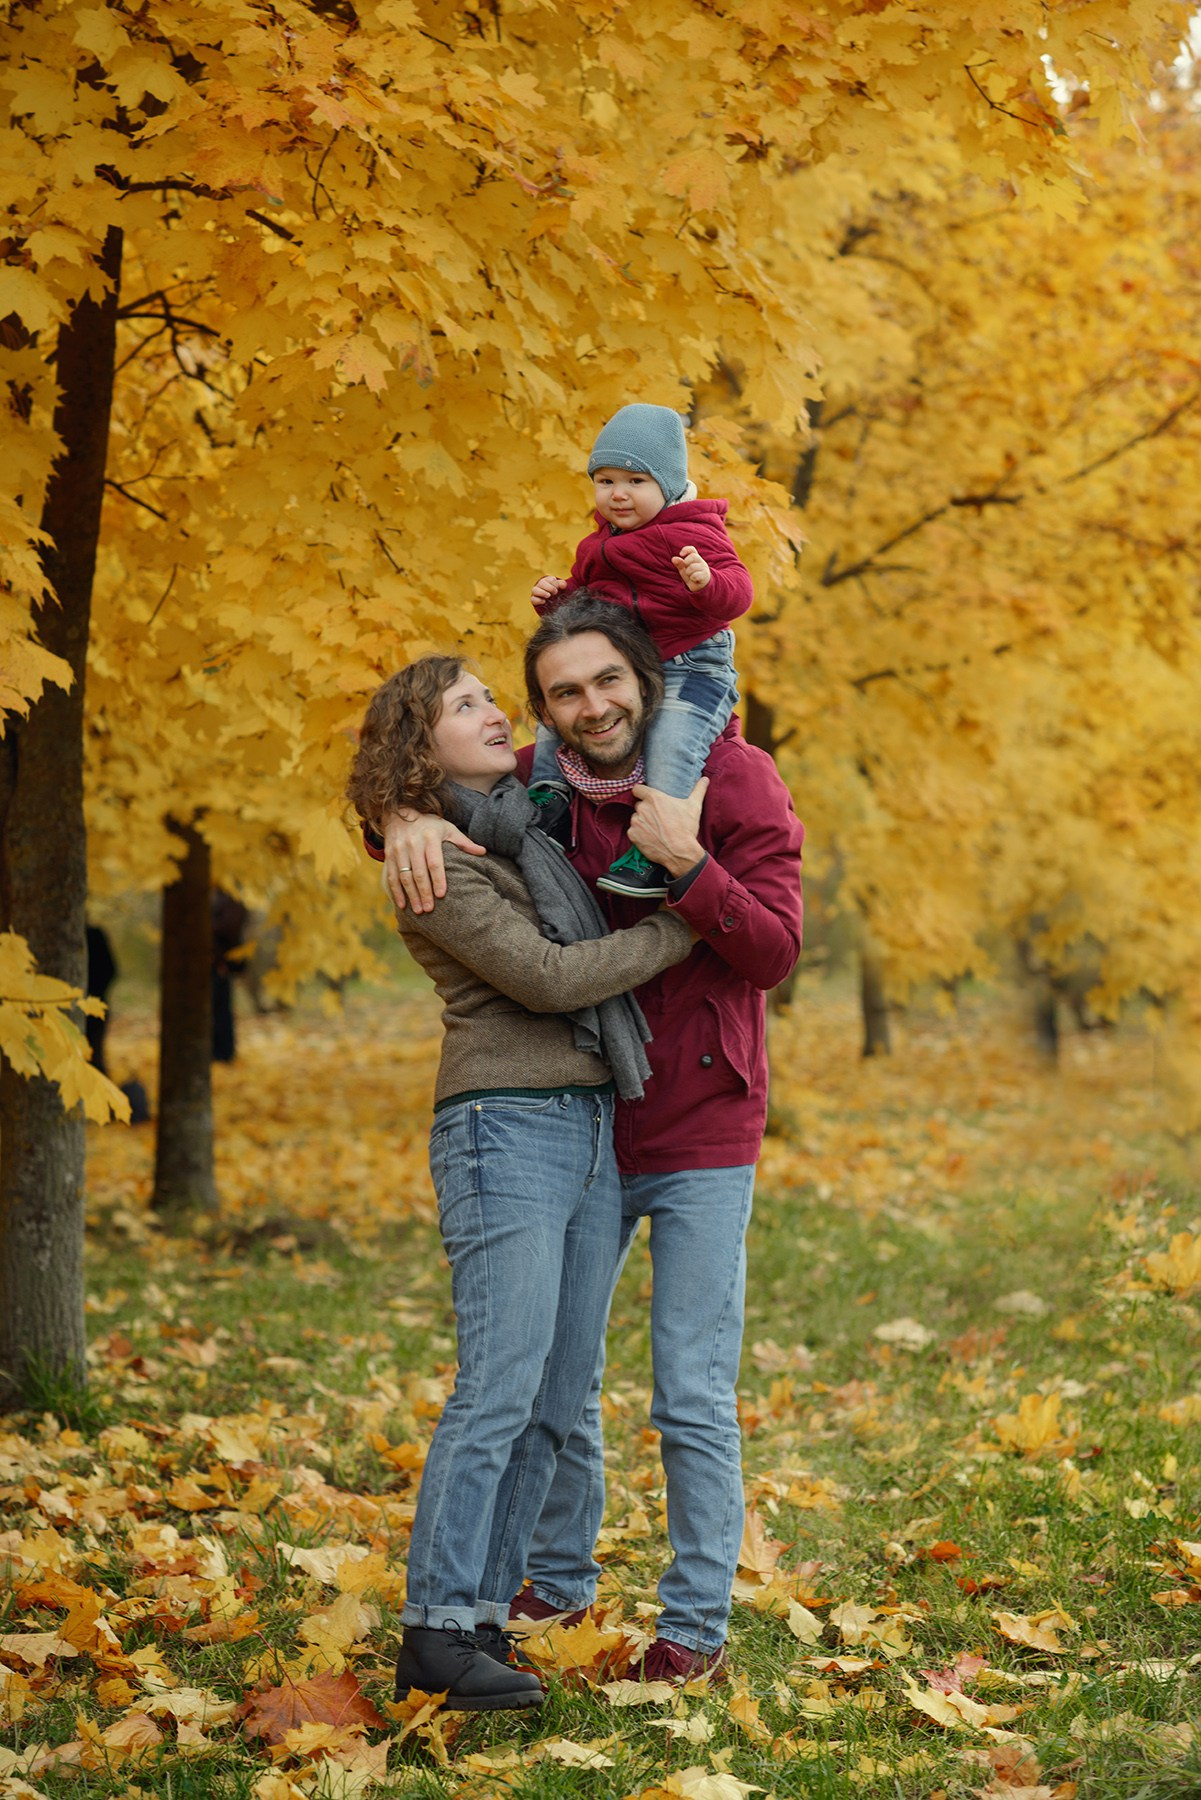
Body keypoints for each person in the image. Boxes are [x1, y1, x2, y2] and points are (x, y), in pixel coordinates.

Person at [376, 596, 804, 1685]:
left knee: (690, 1394)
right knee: (551, 1383)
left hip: (704, 1124)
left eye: (607, 681)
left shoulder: (731, 777)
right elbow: (423, 775)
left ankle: (693, 1629)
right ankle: (551, 1582)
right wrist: (401, 822)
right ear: (546, 713)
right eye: (563, 693)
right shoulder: (543, 789)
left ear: (647, 677)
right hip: (594, 1118)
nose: (591, 706)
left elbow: (773, 949)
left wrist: (688, 866)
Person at [348, 654, 693, 1711]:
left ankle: (482, 1620)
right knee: (498, 1388)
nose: (498, 713)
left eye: (493, 697)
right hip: (504, 1130)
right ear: (419, 745)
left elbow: (616, 740)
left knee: (555, 1397)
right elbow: (546, 979)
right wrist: (684, 925)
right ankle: (437, 1626)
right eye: (465, 706)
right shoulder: (435, 858)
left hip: (586, 1123)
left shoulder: (518, 823)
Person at [528, 403, 753, 899]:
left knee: (672, 746)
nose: (618, 494)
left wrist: (705, 582)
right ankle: (549, 796)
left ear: (667, 486)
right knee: (552, 710)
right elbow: (588, 605)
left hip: (693, 663)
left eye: (635, 481)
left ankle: (654, 851)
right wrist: (558, 600)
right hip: (629, 662)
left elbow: (739, 593)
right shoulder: (597, 545)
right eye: (605, 481)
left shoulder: (694, 532)